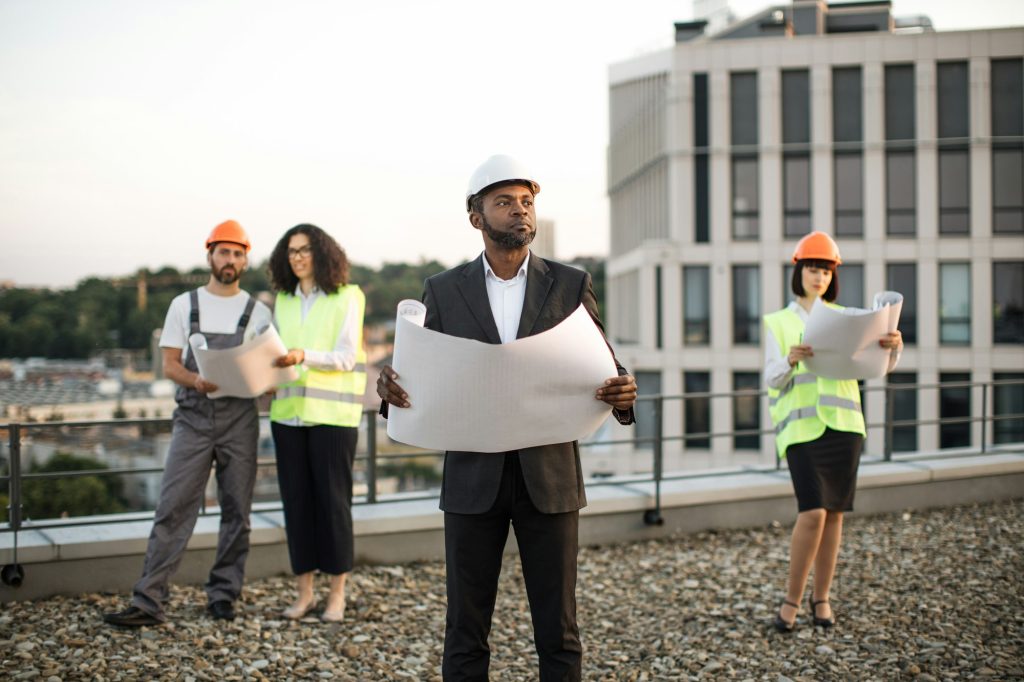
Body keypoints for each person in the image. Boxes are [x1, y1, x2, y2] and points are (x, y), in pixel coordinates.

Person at [377, 155, 637, 681]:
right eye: (504, 202)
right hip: (473, 478)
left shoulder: (569, 283)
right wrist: (391, 389)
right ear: (476, 217)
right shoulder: (443, 291)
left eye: (527, 201)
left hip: (551, 476)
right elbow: (422, 373)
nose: (520, 211)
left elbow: (600, 360)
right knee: (465, 628)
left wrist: (623, 390)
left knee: (559, 629)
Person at [104, 220, 271, 627]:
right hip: (193, 419)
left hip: (240, 420)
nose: (230, 260)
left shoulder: (258, 311)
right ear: (209, 254)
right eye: (223, 252)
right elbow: (169, 366)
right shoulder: (184, 304)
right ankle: (148, 601)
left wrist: (269, 376)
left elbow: (265, 367)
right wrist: (196, 379)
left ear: (245, 259)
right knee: (173, 508)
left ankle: (223, 596)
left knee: (237, 511)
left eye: (237, 253)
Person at [764, 231, 903, 632]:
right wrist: (791, 360)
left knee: (835, 516)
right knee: (811, 513)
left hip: (844, 428)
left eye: (825, 270)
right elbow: (772, 379)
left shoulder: (848, 318)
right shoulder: (778, 322)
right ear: (799, 271)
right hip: (802, 431)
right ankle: (792, 601)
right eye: (812, 268)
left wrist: (891, 345)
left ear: (833, 276)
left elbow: (880, 367)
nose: (818, 276)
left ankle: (821, 598)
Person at [267, 224, 366, 623]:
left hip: (333, 419)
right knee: (297, 506)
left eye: (305, 250)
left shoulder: (348, 296)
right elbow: (277, 352)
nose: (298, 257)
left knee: (333, 506)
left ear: (322, 253)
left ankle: (337, 596)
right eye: (291, 251)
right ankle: (304, 594)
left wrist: (302, 355)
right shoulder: (284, 300)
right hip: (287, 416)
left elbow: (346, 356)